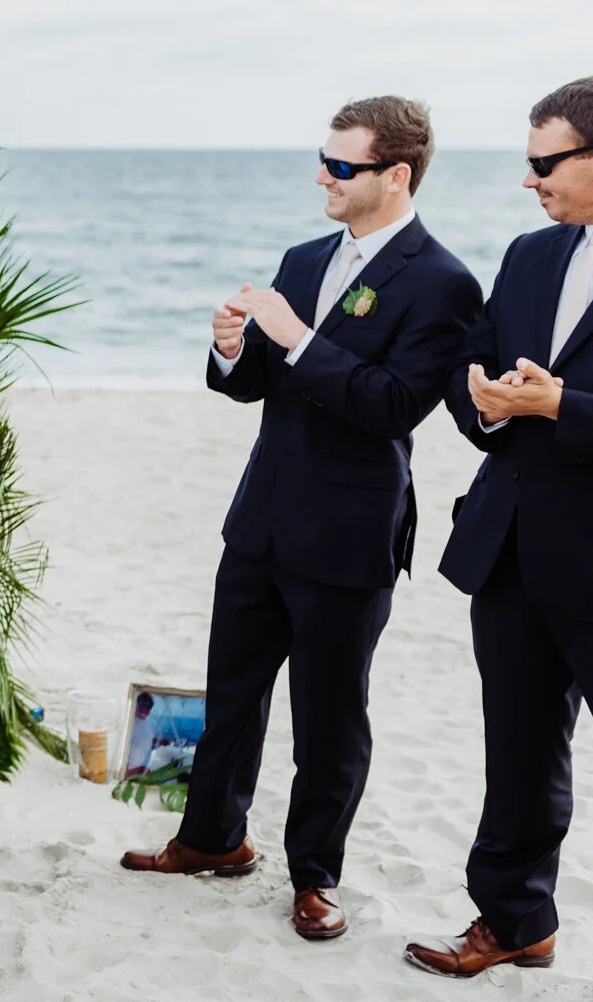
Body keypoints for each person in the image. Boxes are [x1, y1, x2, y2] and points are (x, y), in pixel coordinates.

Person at [121, 97, 482, 943]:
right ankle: (211, 838)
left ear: (395, 176)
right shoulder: (304, 255)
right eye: (323, 158)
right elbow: (258, 385)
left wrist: (298, 337)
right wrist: (231, 348)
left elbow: (395, 405)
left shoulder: (444, 280)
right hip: (262, 516)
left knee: (329, 717)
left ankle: (315, 875)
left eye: (341, 166)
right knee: (232, 695)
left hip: (350, 533)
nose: (323, 175)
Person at [410, 77, 593, 977]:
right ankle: (515, 919)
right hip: (513, 545)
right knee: (517, 749)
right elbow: (471, 363)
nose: (530, 181)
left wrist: (566, 405)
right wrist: (482, 402)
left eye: (544, 162)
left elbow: (561, 400)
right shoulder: (530, 254)